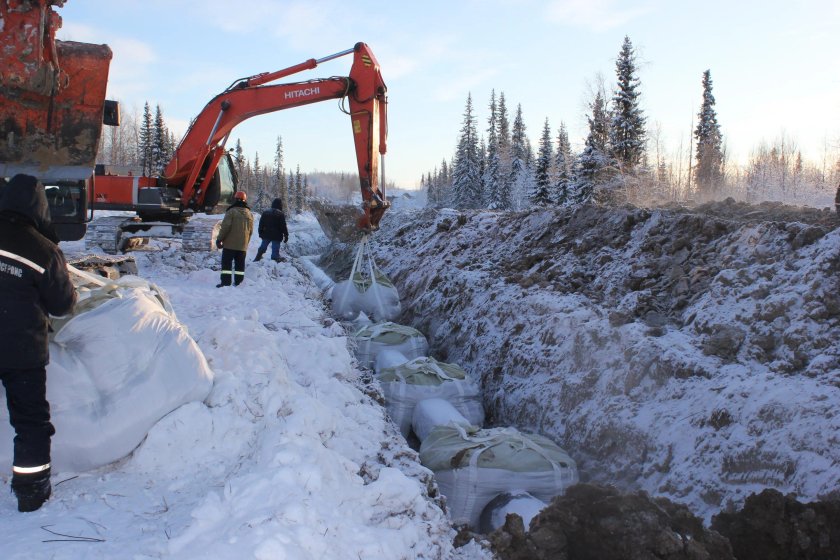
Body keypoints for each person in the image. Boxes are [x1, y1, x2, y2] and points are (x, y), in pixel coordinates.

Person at [0, 174, 77, 512]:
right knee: (30, 421)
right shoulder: (44, 251)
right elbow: (63, 305)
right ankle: (31, 491)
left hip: (19, 347)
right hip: (21, 351)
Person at [215, 191, 254, 287]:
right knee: (240, 266)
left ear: (235, 199)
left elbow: (225, 227)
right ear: (245, 200)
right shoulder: (249, 214)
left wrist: (219, 239)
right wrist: (246, 243)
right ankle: (239, 283)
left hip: (229, 244)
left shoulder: (231, 211)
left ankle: (225, 283)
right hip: (242, 246)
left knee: (226, 265)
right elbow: (251, 231)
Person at [254, 197, 289, 262]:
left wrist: (260, 232)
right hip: (277, 235)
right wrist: (286, 235)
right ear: (280, 205)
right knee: (275, 247)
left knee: (263, 246)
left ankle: (258, 257)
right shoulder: (280, 214)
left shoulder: (265, 212)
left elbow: (261, 223)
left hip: (266, 234)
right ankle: (275, 257)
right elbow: (283, 226)